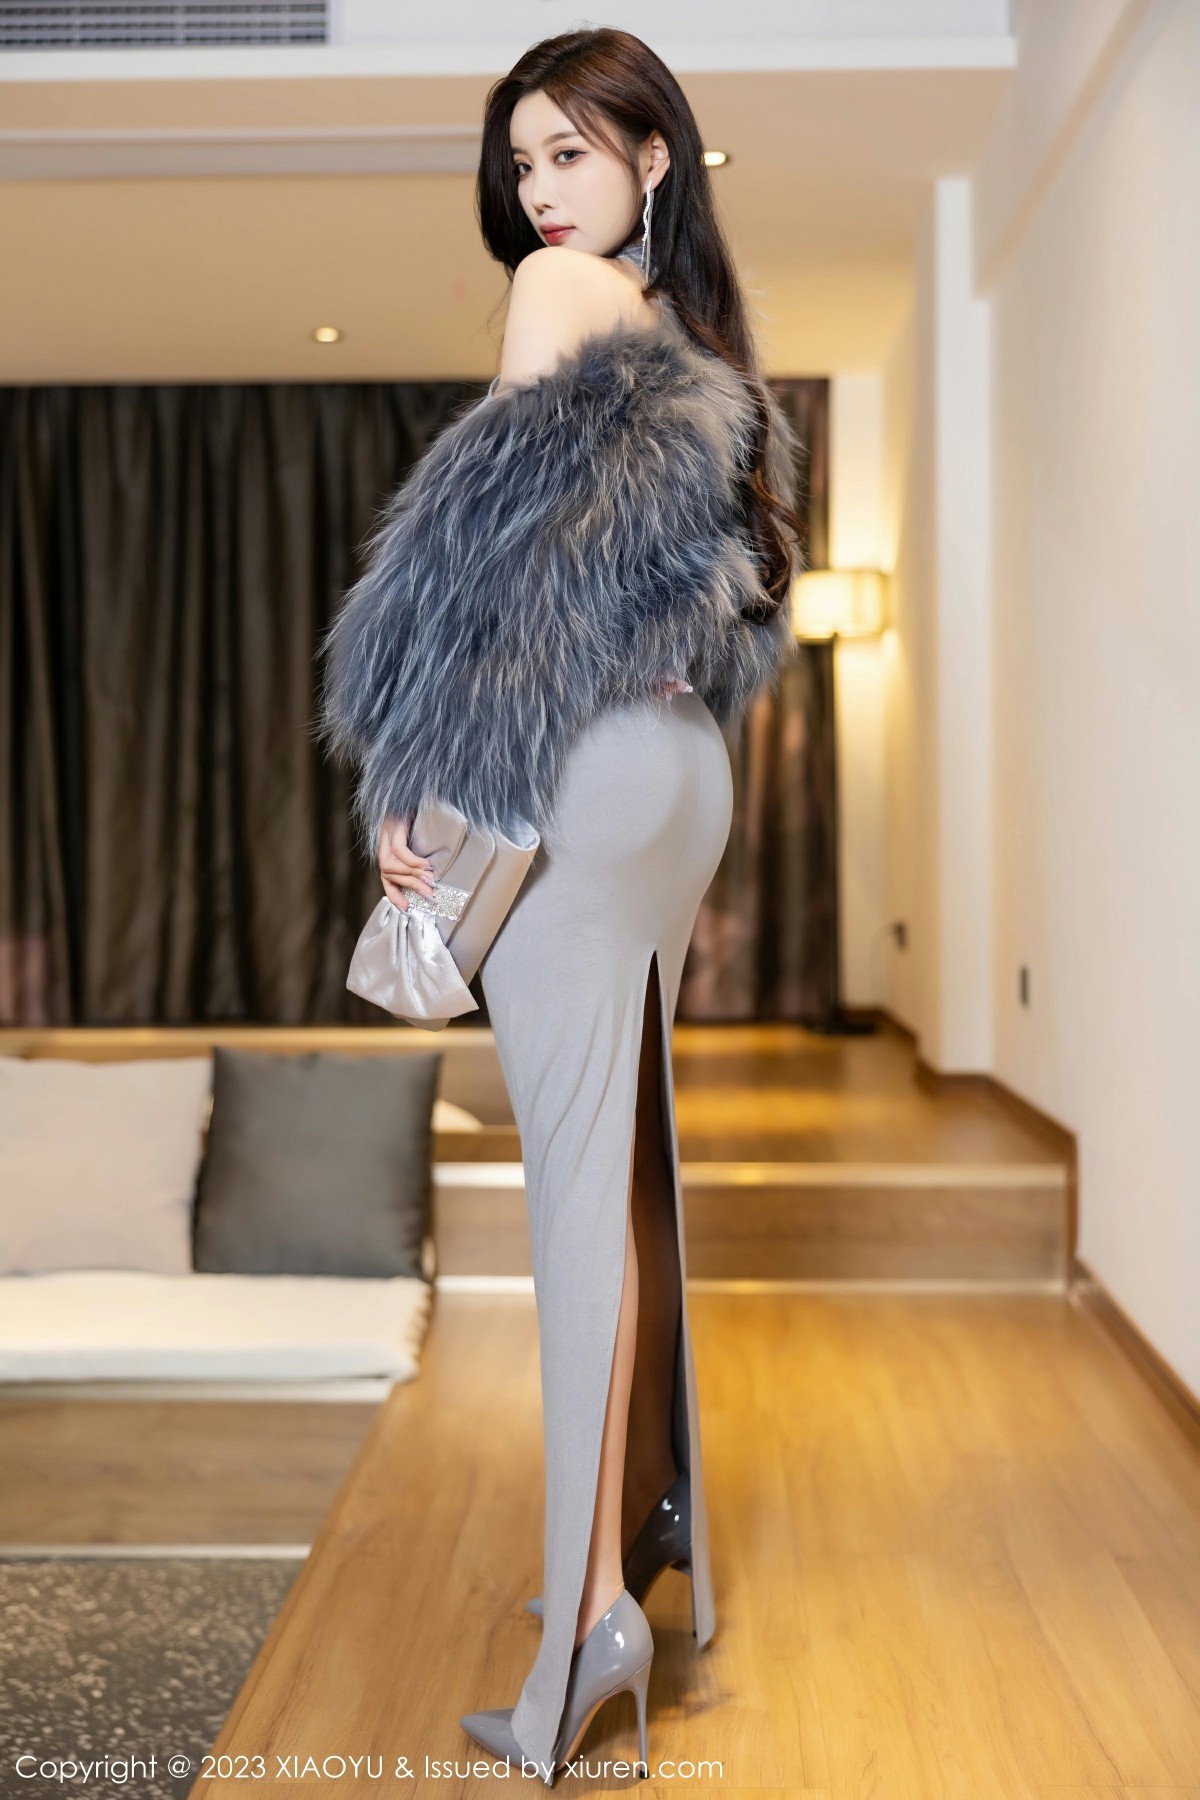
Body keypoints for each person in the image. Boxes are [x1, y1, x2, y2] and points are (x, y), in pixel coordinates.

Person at [316, 26, 804, 1788]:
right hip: (680, 776)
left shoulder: (554, 296)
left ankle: (589, 1627)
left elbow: (502, 579)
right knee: (636, 1165)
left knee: (577, 1193)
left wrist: (424, 780)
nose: (537, 193)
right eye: (522, 163)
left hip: (578, 766)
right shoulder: (698, 346)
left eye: (571, 154)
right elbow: (714, 600)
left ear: (653, 158)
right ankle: (638, 1552)